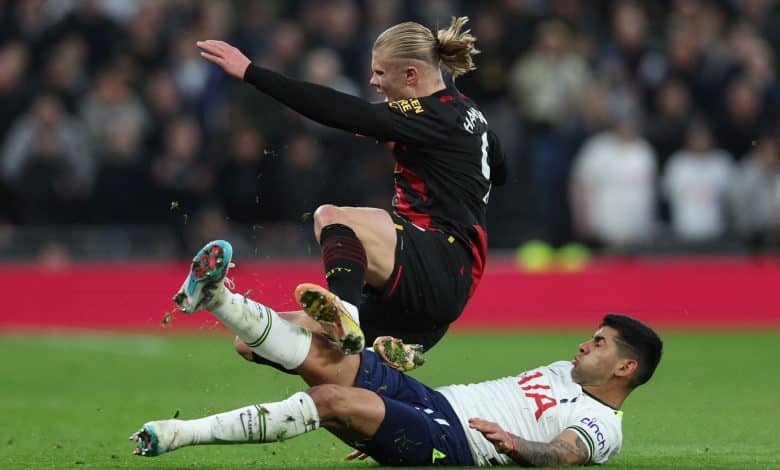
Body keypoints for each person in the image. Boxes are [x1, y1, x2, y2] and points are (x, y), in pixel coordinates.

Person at [134, 246, 663, 466]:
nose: (582, 344)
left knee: (331, 397)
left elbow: (564, 455)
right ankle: (219, 298)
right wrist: (392, 428)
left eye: (598, 343)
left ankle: (179, 434)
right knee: (319, 359)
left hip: (456, 445)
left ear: (625, 368)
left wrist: (515, 444)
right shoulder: (561, 371)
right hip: (432, 404)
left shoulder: (602, 423)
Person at [192, 16, 507, 361]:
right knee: (257, 343)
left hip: (438, 261)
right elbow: (500, 168)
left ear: (411, 75)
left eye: (380, 73)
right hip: (425, 298)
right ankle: (221, 299)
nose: (373, 82)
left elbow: (343, 112)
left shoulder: (432, 115)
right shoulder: (468, 114)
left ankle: (345, 313)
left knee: (331, 218)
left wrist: (254, 73)